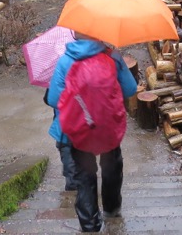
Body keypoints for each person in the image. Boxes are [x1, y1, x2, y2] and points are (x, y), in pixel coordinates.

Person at [47, 32, 137, 233]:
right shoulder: (113, 57)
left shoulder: (65, 61)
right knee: (111, 167)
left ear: (75, 35)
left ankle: (90, 225)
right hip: (108, 126)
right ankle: (112, 210)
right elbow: (130, 89)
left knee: (85, 177)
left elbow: (53, 99)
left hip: (79, 129)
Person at [43, 89, 78, 191]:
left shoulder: (58, 76)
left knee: (68, 157)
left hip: (64, 129)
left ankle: (72, 188)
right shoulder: (91, 75)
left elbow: (49, 99)